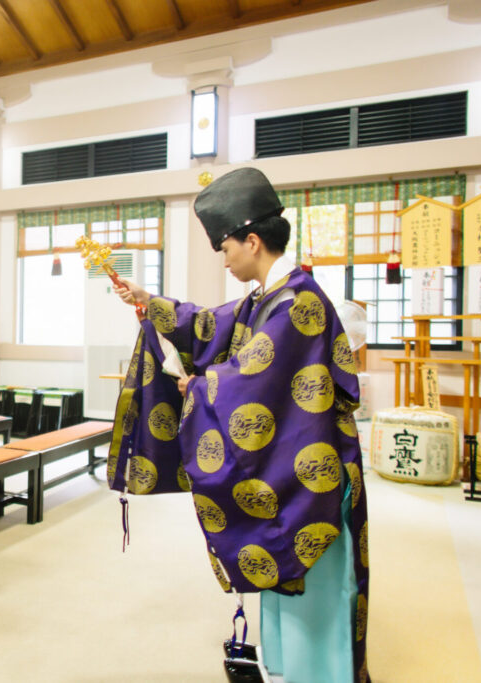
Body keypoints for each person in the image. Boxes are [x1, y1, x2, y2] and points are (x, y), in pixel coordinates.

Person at [110, 167, 369, 683]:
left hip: (313, 479)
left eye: (226, 247)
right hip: (295, 470)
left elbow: (256, 380)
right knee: (287, 593)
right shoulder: (266, 299)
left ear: (253, 241)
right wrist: (146, 300)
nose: (224, 258)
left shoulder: (298, 303)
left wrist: (200, 390)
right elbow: (206, 327)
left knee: (316, 601)